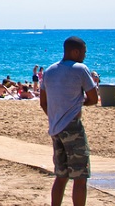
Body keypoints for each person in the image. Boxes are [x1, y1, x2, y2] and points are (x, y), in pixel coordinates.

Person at [40, 36, 99, 206]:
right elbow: (93, 98)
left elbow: (44, 102)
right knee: (80, 177)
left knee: (61, 176)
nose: (84, 56)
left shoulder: (49, 71)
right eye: (83, 52)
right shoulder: (80, 69)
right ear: (75, 51)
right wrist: (79, 104)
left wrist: (56, 115)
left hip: (56, 128)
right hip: (73, 126)